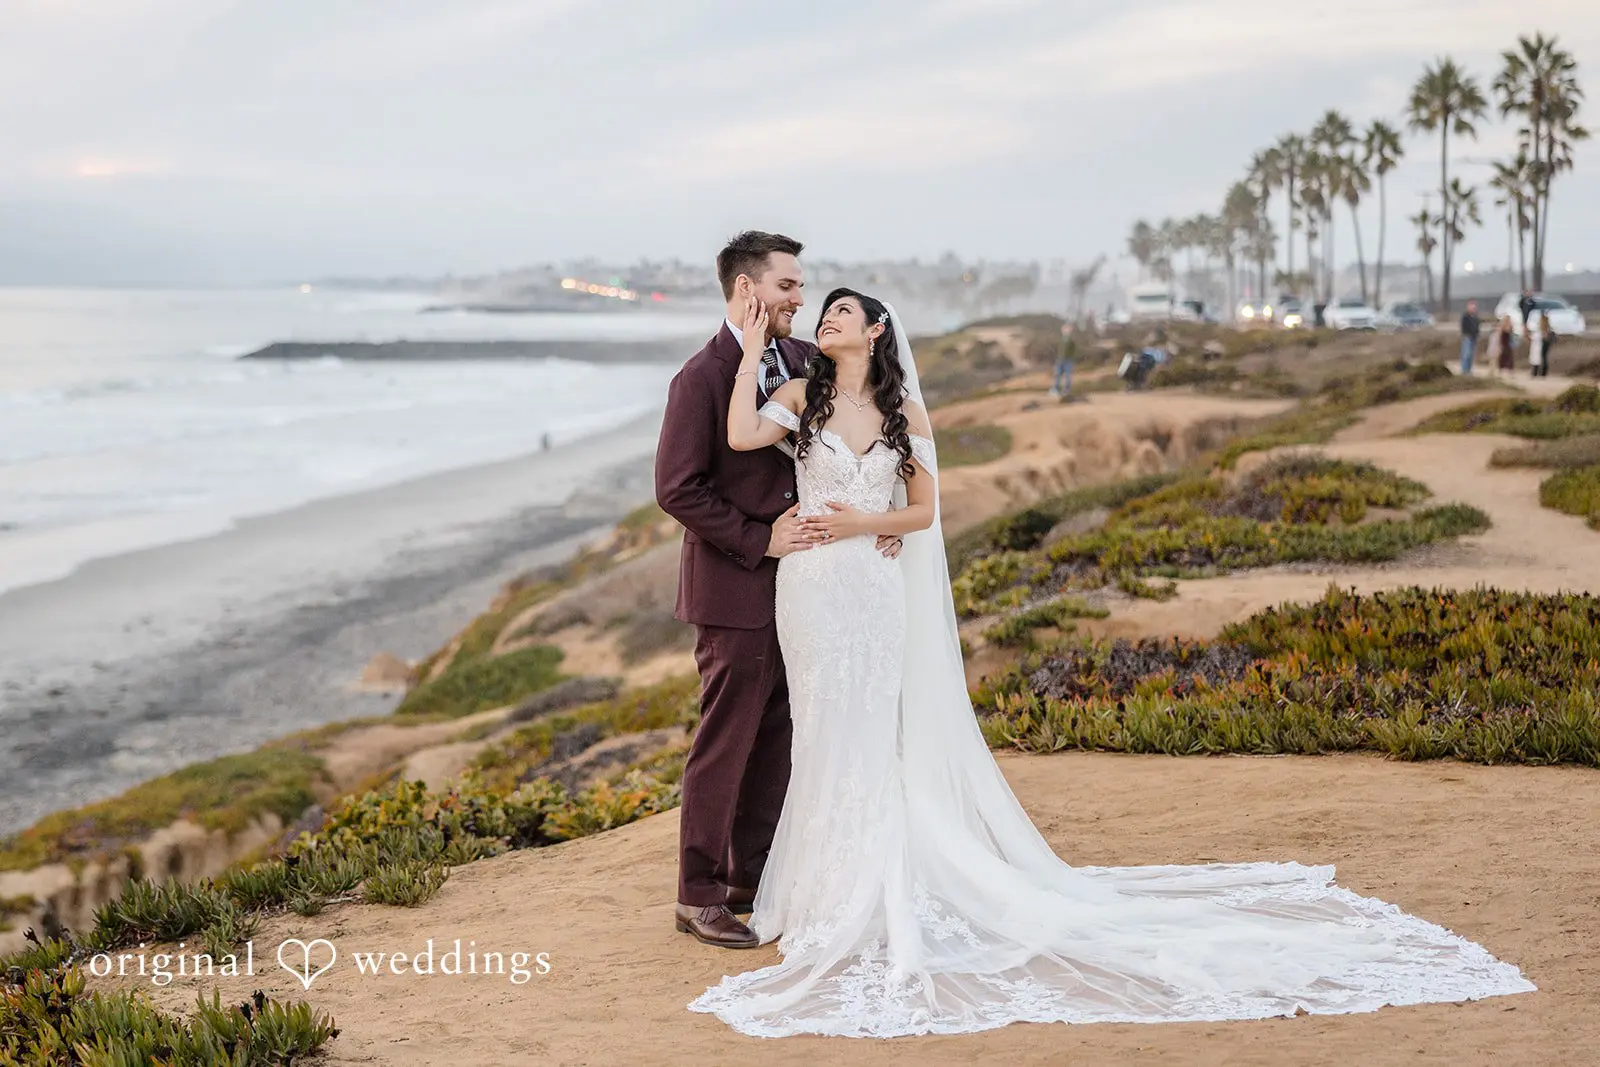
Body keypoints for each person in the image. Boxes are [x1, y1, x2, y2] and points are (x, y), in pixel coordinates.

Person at [690, 286, 1535, 1038]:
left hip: (867, 594)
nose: (829, 319)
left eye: (843, 312)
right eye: (824, 311)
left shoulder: (906, 411)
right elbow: (736, 431)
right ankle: (817, 897)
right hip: (808, 590)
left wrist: (858, 525)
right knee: (823, 733)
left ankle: (871, 892)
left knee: (872, 730)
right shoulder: (797, 393)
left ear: (876, 331)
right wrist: (744, 349)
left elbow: (923, 514)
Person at [654, 232, 902, 951]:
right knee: (725, 739)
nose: (802, 298)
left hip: (812, 591)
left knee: (780, 737)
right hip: (733, 590)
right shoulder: (699, 378)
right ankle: (696, 894)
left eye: (801, 287)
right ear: (747, 290)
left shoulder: (802, 362)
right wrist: (759, 539)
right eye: (790, 286)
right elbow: (677, 487)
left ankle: (750, 877)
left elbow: (857, 434)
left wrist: (881, 520)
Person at [1051, 322, 1076, 398]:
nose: (1066, 331)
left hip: (1068, 360)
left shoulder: (1071, 341)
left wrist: (1072, 360)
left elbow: (1073, 351)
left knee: (1068, 376)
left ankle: (1066, 390)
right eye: (1064, 329)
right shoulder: (1060, 340)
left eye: (1067, 329)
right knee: (1058, 375)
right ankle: (1056, 389)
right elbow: (1058, 351)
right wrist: (1057, 360)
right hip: (1060, 360)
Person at [1459, 300, 1480, 374]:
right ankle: (1464, 370)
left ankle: (1469, 370)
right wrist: (1466, 334)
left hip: (1474, 337)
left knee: (1471, 355)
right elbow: (1463, 327)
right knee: (1466, 354)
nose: (1473, 308)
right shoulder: (1465, 316)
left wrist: (1477, 334)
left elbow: (1477, 326)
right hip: (1467, 337)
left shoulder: (1475, 317)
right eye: (1472, 306)